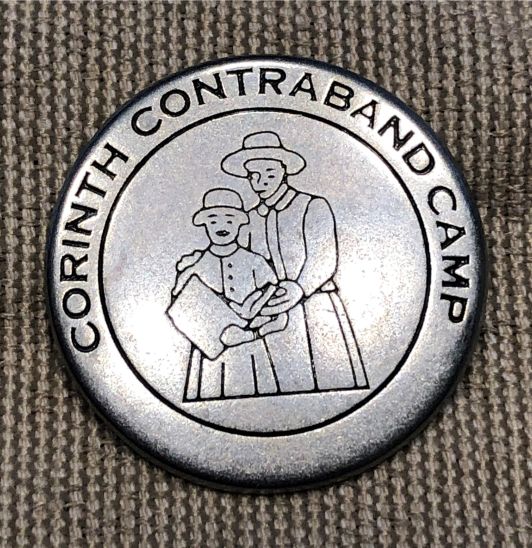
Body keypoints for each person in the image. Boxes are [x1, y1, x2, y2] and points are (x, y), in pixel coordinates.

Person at [220, 131, 369, 392]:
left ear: (284, 170)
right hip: (267, 314)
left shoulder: (312, 206)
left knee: (328, 381)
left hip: (314, 308)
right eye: (253, 174)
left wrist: (299, 288)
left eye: (269, 172)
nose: (260, 181)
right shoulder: (249, 219)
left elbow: (324, 257)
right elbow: (242, 261)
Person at [170, 188, 286, 400]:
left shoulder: (256, 263)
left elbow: (280, 317)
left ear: (240, 224)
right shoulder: (194, 267)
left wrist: (249, 335)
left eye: (230, 220)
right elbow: (180, 310)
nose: (221, 226)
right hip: (209, 359)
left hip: (251, 355)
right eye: (213, 220)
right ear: (205, 224)